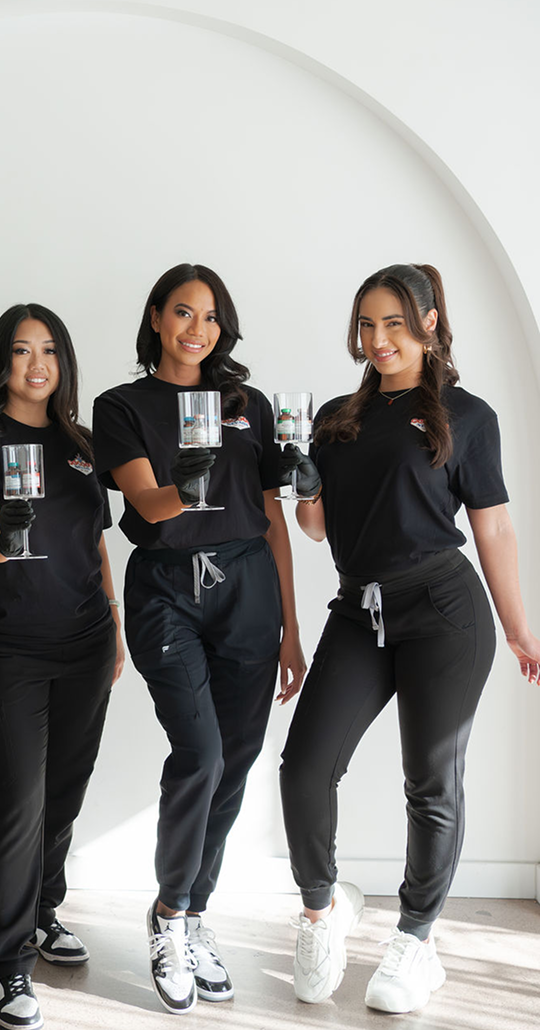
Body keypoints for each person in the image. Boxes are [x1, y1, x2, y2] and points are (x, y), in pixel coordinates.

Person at [278, 263, 540, 1014]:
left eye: (393, 322)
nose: (377, 339)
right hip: (358, 613)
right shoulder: (335, 418)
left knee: (430, 783)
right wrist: (304, 483)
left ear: (428, 323)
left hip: (443, 610)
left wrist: (521, 628)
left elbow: (492, 527)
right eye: (366, 324)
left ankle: (417, 941)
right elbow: (319, 527)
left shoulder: (468, 416)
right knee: (304, 769)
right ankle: (321, 915)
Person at [92, 263, 306, 1014]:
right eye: (182, 313)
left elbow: (274, 515)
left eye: (210, 316)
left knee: (239, 760)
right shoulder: (120, 405)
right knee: (201, 753)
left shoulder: (249, 403)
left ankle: (195, 910)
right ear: (156, 318)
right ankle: (169, 916)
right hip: (168, 589)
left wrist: (290, 627)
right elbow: (149, 505)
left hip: (250, 587)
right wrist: (193, 477)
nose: (197, 329)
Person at [0, 303, 124, 1030]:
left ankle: (44, 911)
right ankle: (9, 963)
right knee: (18, 799)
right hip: (6, 647)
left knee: (63, 796)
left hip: (83, 643)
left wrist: (112, 627)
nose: (36, 364)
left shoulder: (81, 445)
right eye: (21, 351)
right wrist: (8, 525)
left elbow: (98, 544)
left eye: (49, 350)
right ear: (0, 363)